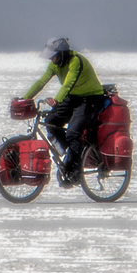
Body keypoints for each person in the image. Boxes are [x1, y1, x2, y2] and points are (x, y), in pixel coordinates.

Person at [22, 37, 107, 184]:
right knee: (50, 122)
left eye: (53, 56)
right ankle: (72, 153)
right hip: (73, 97)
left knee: (74, 132)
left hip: (91, 98)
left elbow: (68, 83)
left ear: (61, 54)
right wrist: (25, 99)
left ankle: (75, 172)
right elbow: (42, 81)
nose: (51, 59)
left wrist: (57, 100)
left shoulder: (75, 61)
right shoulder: (55, 64)